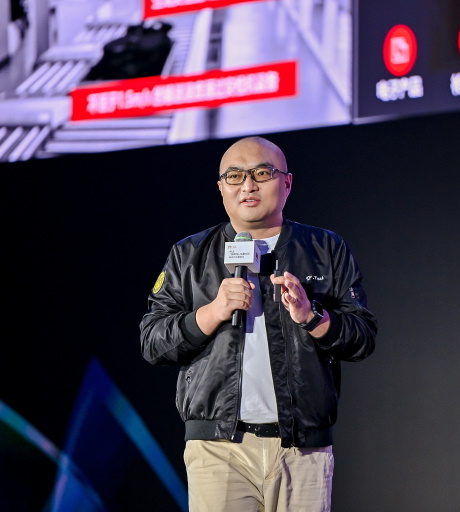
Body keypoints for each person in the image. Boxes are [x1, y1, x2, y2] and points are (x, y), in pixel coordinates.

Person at [139, 136, 377, 512]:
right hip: (217, 448)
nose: (248, 185)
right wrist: (213, 311)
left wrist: (311, 316)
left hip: (302, 448)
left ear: (287, 183)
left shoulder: (325, 248)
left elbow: (363, 338)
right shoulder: (189, 254)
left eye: (262, 173)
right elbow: (153, 342)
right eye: (235, 176)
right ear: (221, 188)